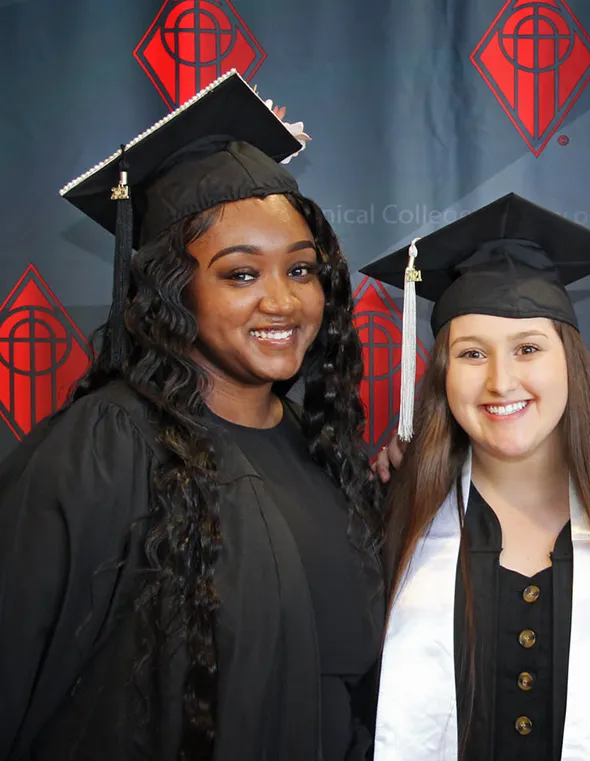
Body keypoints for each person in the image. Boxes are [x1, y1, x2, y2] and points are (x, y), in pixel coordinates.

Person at [0, 71, 383, 760]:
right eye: (241, 274)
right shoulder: (109, 444)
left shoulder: (323, 455)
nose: (283, 302)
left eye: (301, 270)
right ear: (173, 290)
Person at [359, 193, 590, 761]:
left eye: (528, 348)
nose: (500, 381)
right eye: (471, 354)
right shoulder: (393, 520)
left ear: (571, 361)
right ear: (442, 375)